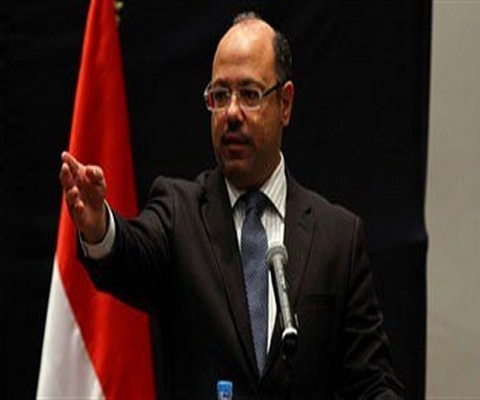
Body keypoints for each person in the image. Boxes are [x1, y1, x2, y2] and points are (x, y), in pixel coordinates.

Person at [60, 12, 404, 399]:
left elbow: (373, 382)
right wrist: (100, 228)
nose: (232, 113)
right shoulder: (179, 213)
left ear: (285, 103)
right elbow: (131, 252)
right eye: (220, 96)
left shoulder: (337, 238)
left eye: (250, 95)